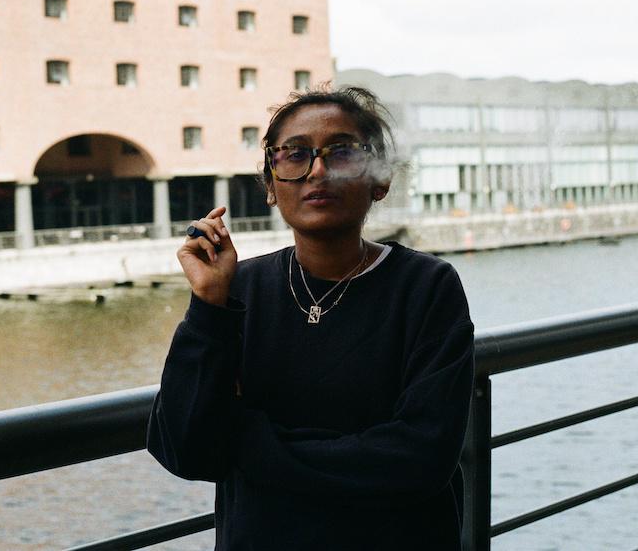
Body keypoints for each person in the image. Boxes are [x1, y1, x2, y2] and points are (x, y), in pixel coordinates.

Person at [147, 86, 475, 550]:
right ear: (270, 185)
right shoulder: (238, 289)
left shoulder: (425, 287)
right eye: (294, 154)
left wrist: (246, 439)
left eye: (341, 152)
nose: (317, 170)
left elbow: (419, 459)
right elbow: (182, 448)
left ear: (379, 180)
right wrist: (207, 305)